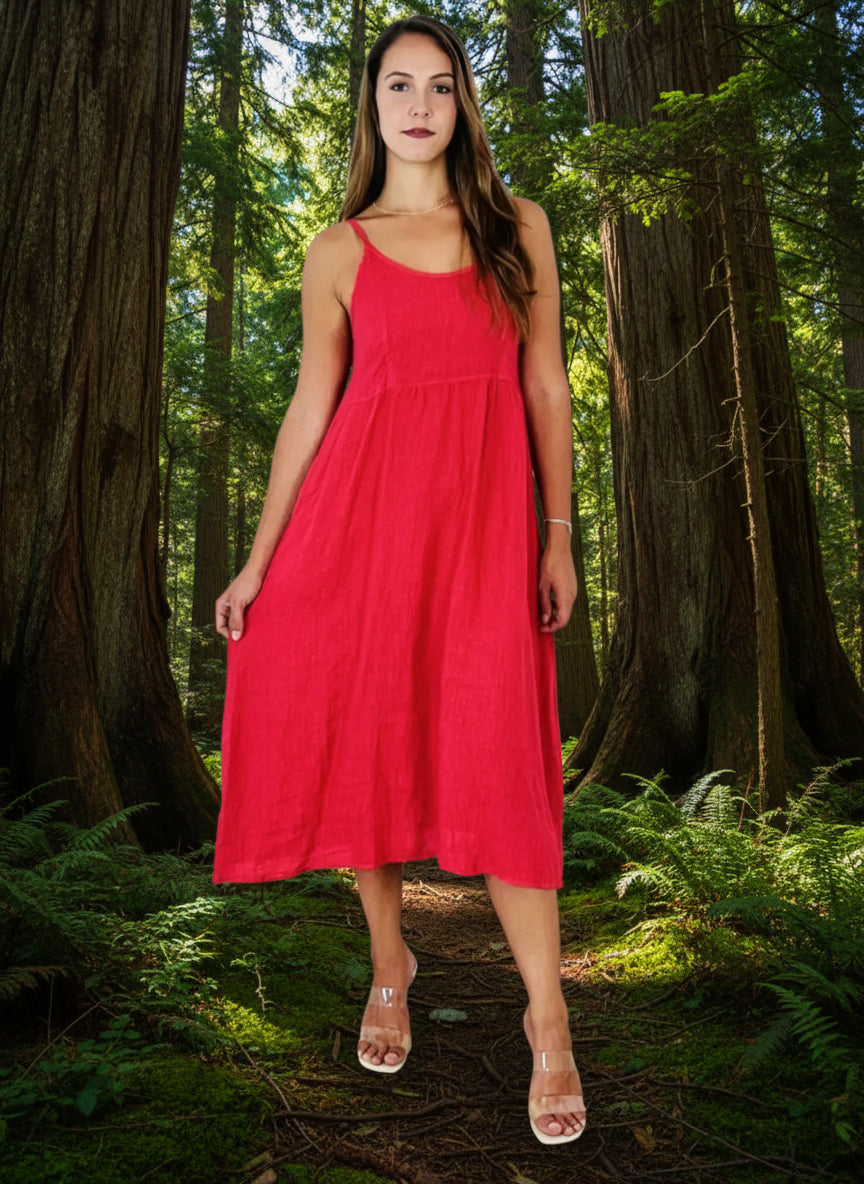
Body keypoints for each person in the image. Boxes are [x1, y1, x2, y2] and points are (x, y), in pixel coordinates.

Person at [212, 14, 585, 1146]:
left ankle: (551, 1018)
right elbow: (311, 408)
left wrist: (559, 532)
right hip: (358, 532)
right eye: (397, 87)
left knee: (506, 756)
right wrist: (260, 554)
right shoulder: (339, 247)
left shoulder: (519, 225)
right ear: (372, 109)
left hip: (482, 535)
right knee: (359, 737)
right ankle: (390, 958)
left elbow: (549, 385)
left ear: (464, 104)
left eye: (440, 86)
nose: (419, 105)